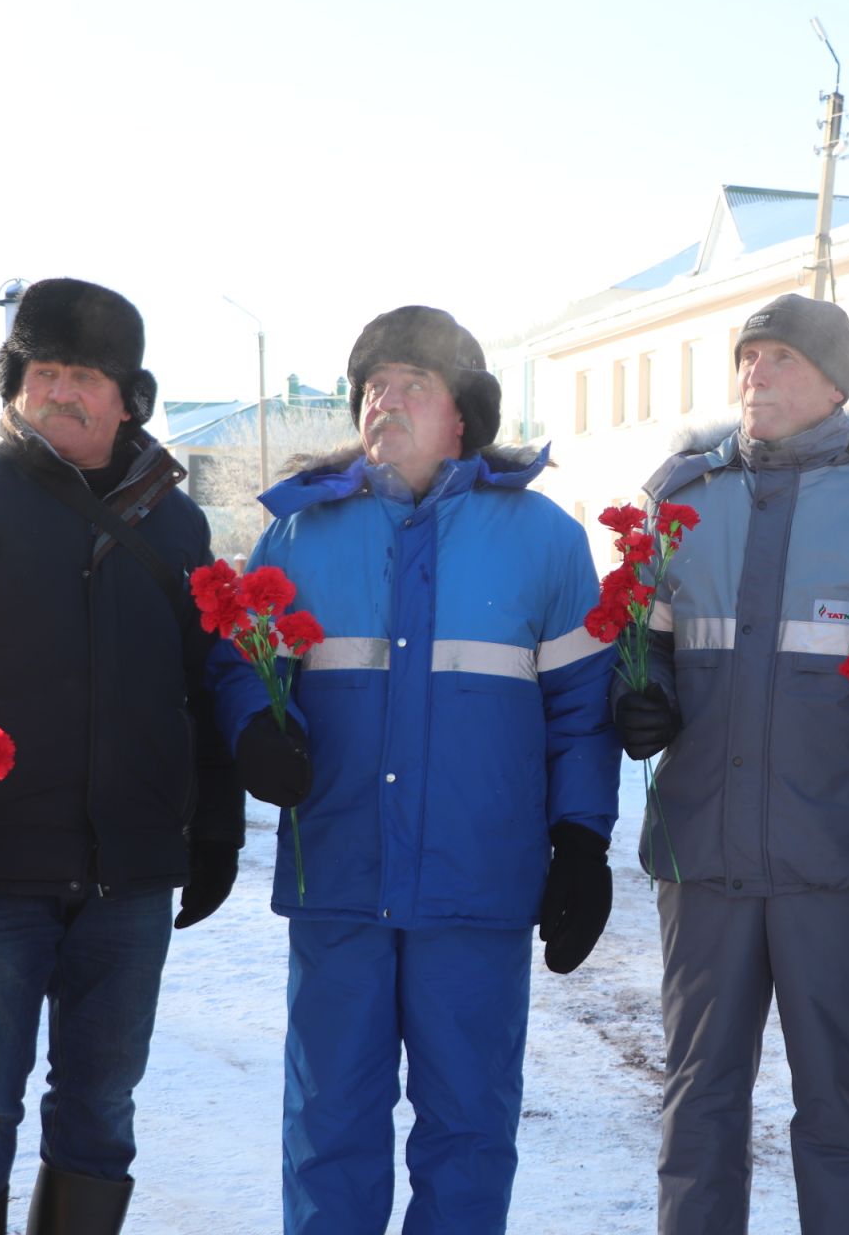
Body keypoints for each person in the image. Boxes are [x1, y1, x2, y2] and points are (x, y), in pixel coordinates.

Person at [0, 278, 245, 1235]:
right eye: (45, 371)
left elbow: (204, 687)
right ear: (16, 385)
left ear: (128, 398)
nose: (65, 392)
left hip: (130, 878)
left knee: (102, 1118)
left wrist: (216, 826)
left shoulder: (177, 527)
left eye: (88, 376)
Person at [212, 305, 620, 1235]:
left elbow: (582, 710)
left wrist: (581, 842)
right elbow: (242, 669)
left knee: (469, 1128)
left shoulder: (543, 539)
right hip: (340, 879)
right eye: (372, 388)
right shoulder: (299, 537)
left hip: (477, 886)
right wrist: (250, 728)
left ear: (461, 416)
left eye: (413, 385)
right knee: (328, 1127)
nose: (385, 402)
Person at [610, 293, 849, 1235]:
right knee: (697, 1106)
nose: (756, 374)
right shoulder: (681, 505)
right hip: (704, 857)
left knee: (844, 1115)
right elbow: (637, 642)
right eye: (748, 357)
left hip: (840, 858)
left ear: (835, 384)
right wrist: (640, 691)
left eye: (781, 358)